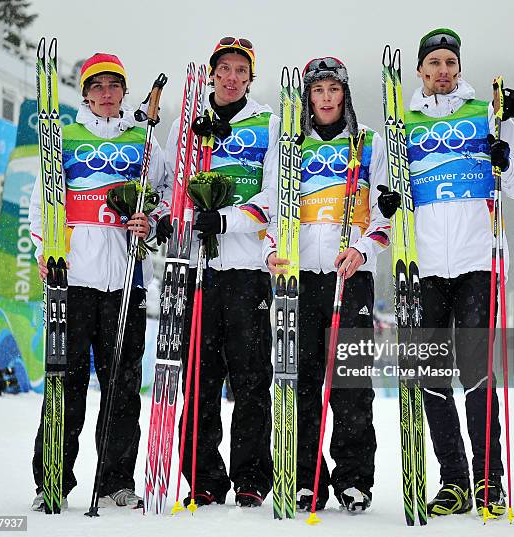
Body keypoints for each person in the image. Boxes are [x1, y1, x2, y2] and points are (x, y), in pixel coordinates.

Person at [404, 28, 514, 517]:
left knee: (477, 375)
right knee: (434, 377)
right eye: (433, 63)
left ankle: (487, 480)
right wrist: (389, 201)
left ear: (460, 70)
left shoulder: (489, 114)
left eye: (449, 64)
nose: (441, 72)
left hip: (479, 261)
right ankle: (453, 479)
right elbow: (385, 189)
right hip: (427, 267)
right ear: (420, 71)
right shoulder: (404, 122)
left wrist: (505, 161)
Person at [29, 53, 165, 511]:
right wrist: (47, 252)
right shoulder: (63, 137)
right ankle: (52, 477)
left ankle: (115, 480)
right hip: (75, 280)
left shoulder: (144, 139)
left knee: (123, 388)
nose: (106, 93)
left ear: (125, 91)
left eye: (114, 85)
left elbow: (166, 197)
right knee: (64, 382)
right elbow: (39, 204)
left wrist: (152, 222)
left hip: (127, 280)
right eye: (97, 86)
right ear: (85, 93)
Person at [265, 57, 399, 512]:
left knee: (352, 383)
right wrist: (270, 252)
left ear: (344, 94)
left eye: (332, 90)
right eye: (317, 90)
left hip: (351, 276)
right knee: (303, 381)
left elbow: (387, 212)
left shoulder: (367, 144)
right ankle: (308, 478)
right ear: (308, 98)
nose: (326, 98)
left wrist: (363, 249)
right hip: (299, 280)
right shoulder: (288, 148)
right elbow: (270, 207)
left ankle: (354, 478)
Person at [160, 37, 279, 508]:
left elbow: (274, 196)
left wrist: (226, 219)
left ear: (250, 78)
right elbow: (167, 185)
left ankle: (251, 476)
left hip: (247, 269)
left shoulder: (268, 124)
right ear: (211, 74)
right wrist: (174, 216)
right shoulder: (187, 123)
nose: (231, 78)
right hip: (197, 268)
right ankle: (203, 476)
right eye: (224, 69)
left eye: (240, 71)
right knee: (200, 377)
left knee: (251, 377)